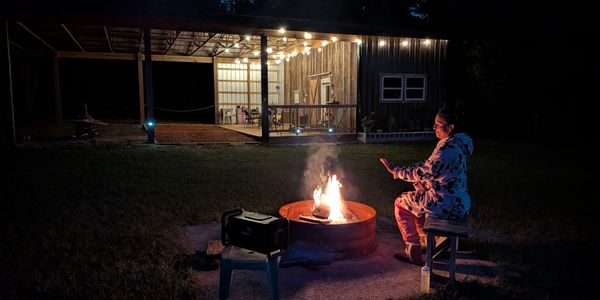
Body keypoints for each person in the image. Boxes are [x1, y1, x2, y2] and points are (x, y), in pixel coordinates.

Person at [379, 107, 473, 265]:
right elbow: (434, 169)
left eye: (438, 124)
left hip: (446, 203)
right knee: (418, 199)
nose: (434, 127)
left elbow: (425, 171)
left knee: (401, 203)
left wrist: (397, 171)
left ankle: (412, 250)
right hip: (459, 201)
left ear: (450, 127)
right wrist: (423, 183)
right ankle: (426, 244)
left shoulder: (447, 149)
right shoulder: (458, 144)